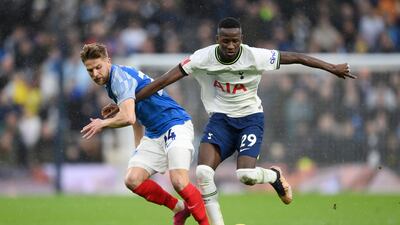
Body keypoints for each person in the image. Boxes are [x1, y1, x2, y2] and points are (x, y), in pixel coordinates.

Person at [103, 17, 356, 225]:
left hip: (250, 119)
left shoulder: (255, 56)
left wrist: (331, 67)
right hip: (220, 121)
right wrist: (127, 100)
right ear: (218, 40)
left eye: (235, 41)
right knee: (202, 173)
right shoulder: (203, 57)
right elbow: (162, 81)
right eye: (226, 41)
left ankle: (274, 177)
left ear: (241, 40)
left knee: (245, 175)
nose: (231, 45)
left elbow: (297, 57)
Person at [79, 43, 209, 225]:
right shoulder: (113, 81)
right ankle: (179, 208)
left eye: (98, 67)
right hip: (154, 134)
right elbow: (136, 117)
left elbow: (128, 117)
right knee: (133, 179)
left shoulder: (119, 79)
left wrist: (103, 123)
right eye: (90, 70)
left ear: (108, 61)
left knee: (179, 181)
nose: (95, 74)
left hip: (175, 123)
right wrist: (138, 147)